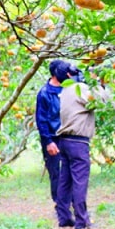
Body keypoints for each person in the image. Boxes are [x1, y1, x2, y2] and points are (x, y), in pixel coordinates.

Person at [54, 66, 99, 229]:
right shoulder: (80, 88)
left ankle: (64, 218)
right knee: (80, 181)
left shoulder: (65, 90)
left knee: (65, 181)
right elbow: (98, 102)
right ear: (69, 74)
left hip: (64, 141)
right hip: (78, 142)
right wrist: (98, 83)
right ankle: (81, 221)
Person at [35, 60, 70, 210]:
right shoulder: (44, 93)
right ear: (56, 74)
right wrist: (48, 141)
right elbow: (41, 120)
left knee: (69, 172)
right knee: (56, 173)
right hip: (53, 138)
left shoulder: (68, 89)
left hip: (67, 136)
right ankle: (60, 205)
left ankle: (70, 203)